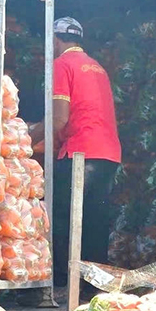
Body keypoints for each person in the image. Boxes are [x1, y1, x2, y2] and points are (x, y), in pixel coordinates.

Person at [30, 17, 121, 291]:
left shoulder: (62, 65)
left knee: (62, 220)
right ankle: (94, 290)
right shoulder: (97, 68)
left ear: (56, 41)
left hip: (81, 154)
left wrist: (26, 138)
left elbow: (58, 119)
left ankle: (60, 286)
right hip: (108, 155)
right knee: (95, 222)